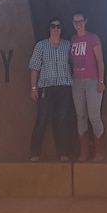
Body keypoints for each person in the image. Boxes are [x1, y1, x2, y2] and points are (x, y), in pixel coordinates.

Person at [28, 16, 74, 162]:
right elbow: (34, 68)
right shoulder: (41, 46)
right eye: (53, 26)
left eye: (58, 26)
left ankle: (63, 153)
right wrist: (33, 88)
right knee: (42, 119)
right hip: (46, 88)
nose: (56, 29)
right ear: (49, 29)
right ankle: (35, 153)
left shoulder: (68, 45)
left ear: (61, 29)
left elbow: (75, 64)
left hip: (64, 87)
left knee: (61, 119)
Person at [70, 10, 106, 162]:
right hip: (77, 82)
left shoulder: (93, 38)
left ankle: (100, 151)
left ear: (85, 21)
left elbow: (100, 61)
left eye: (80, 21)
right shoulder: (72, 40)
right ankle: (84, 152)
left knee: (94, 116)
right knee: (81, 117)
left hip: (92, 81)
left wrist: (101, 81)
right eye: (75, 22)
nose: (78, 24)